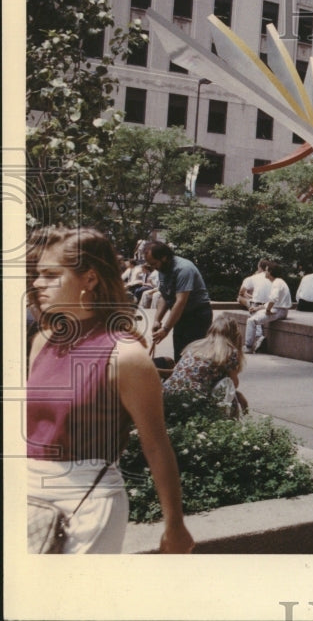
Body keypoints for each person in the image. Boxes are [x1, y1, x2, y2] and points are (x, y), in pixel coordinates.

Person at [26, 227, 194, 554]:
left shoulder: (126, 356)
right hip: (29, 496)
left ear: (89, 279)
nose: (36, 283)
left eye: (50, 275)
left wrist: (174, 525)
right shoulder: (43, 341)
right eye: (37, 274)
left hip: (88, 505)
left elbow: (157, 445)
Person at [144, 241, 212, 365]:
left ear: (164, 257)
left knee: (194, 358)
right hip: (182, 316)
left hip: (197, 315)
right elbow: (165, 296)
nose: (153, 268)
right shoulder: (163, 269)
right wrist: (157, 320)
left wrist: (165, 329)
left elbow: (180, 301)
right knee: (180, 356)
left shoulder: (184, 268)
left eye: (154, 263)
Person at [163, 314, 246, 414]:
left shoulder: (195, 346)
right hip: (193, 401)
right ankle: (229, 424)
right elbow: (233, 384)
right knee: (229, 388)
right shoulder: (229, 352)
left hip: (167, 395)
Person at [244, 261, 292, 353]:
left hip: (279, 311)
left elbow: (273, 299)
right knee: (254, 314)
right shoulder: (278, 282)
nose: (264, 273)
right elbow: (272, 301)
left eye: (266, 271)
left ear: (270, 272)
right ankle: (259, 338)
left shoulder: (277, 282)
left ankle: (248, 347)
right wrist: (258, 308)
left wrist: (268, 310)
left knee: (251, 321)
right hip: (279, 309)